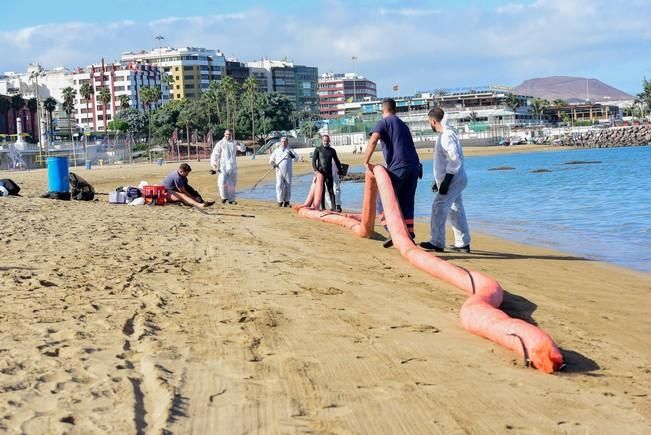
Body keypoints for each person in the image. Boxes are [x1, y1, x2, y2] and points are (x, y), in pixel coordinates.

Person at [363, 98, 421, 248]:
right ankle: (409, 232)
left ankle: (392, 231)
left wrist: (366, 161)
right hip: (414, 166)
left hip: (399, 167)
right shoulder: (403, 125)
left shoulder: (383, 122)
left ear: (383, 110)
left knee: (382, 199)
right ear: (395, 109)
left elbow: (374, 140)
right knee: (406, 200)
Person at [419, 108, 471, 253]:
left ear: (433, 121)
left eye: (430, 122)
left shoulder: (447, 136)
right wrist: (438, 181)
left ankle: (437, 242)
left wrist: (446, 181)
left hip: (454, 179)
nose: (430, 125)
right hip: (454, 178)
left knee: (438, 207)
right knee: (455, 210)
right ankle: (463, 244)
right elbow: (444, 162)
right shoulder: (445, 134)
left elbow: (454, 160)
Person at [210, 129, 246, 204]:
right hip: (223, 166)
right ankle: (224, 197)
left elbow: (243, 149)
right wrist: (214, 165)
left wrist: (239, 144)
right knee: (222, 182)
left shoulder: (234, 143)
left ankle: (231, 199)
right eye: (226, 134)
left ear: (231, 135)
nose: (228, 136)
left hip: (233, 166)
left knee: (232, 184)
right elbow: (215, 154)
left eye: (229, 134)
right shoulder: (220, 143)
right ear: (224, 134)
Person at [312, 134, 343, 211]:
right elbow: (313, 161)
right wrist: (316, 170)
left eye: (327, 141)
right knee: (321, 190)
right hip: (320, 173)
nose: (326, 142)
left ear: (329, 141)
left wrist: (341, 172)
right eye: (324, 140)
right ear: (322, 141)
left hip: (329, 173)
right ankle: (323, 207)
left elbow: (337, 161)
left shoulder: (332, 150)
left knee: (331, 190)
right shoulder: (318, 149)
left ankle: (334, 207)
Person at [269, 136, 299, 207]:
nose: (284, 143)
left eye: (285, 141)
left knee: (288, 186)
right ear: (280, 142)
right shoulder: (276, 151)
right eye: (282, 141)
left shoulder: (290, 150)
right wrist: (273, 164)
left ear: (287, 142)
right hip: (279, 171)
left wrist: (291, 155)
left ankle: (287, 201)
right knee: (279, 185)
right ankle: (279, 201)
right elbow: (271, 159)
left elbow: (296, 159)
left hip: (288, 171)